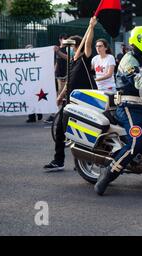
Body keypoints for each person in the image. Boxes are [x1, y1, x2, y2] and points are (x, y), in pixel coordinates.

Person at [94, 26, 142, 195]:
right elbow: (139, 82)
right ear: (140, 41)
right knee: (135, 142)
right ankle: (108, 174)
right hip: (129, 106)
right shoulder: (129, 60)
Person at [44, 17, 98, 172]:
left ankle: (82, 162)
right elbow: (69, 82)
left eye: (72, 47)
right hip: (69, 100)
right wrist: (61, 95)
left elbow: (87, 45)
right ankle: (58, 160)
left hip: (83, 102)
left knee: (81, 131)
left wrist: (91, 27)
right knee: (60, 129)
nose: (71, 50)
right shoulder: (73, 62)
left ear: (77, 47)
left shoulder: (85, 59)